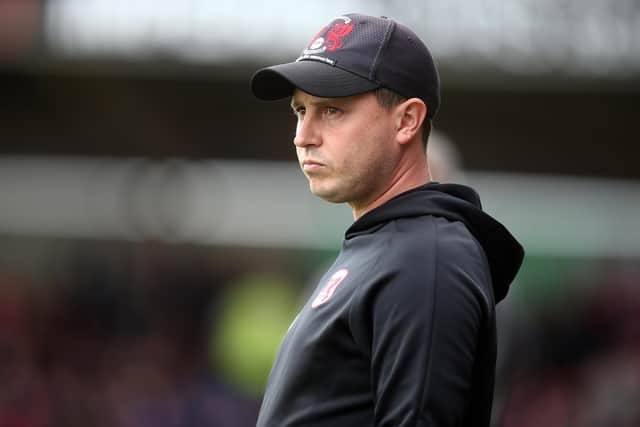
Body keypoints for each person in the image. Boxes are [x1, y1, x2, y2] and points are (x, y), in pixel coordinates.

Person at [250, 13, 524, 427]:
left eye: (331, 111)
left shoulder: (426, 258)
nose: (302, 135)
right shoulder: (384, 246)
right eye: (300, 111)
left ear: (407, 121)